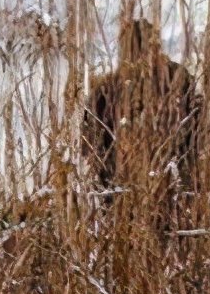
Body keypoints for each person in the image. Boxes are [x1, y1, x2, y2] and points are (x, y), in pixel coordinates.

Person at [81, 18, 203, 224]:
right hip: (170, 193)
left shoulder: (104, 90)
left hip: (127, 196)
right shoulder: (180, 79)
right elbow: (199, 136)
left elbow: (91, 150)